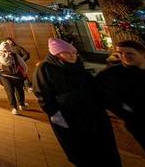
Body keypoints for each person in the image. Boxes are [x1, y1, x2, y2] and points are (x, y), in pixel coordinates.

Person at [33, 38, 121, 166]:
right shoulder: (45, 68)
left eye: (74, 53)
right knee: (82, 150)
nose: (72, 56)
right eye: (68, 53)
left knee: (105, 148)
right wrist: (54, 113)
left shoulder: (77, 66)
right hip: (69, 116)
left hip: (94, 114)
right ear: (56, 54)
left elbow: (93, 86)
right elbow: (43, 94)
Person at [97, 40, 145, 159]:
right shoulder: (110, 75)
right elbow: (104, 98)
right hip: (140, 123)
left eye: (129, 53)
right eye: (120, 53)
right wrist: (127, 113)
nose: (124, 56)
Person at [0, 41, 29, 114]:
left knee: (10, 91)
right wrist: (24, 73)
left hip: (4, 76)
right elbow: (24, 65)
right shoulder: (14, 55)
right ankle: (21, 105)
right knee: (19, 90)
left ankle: (14, 108)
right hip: (17, 76)